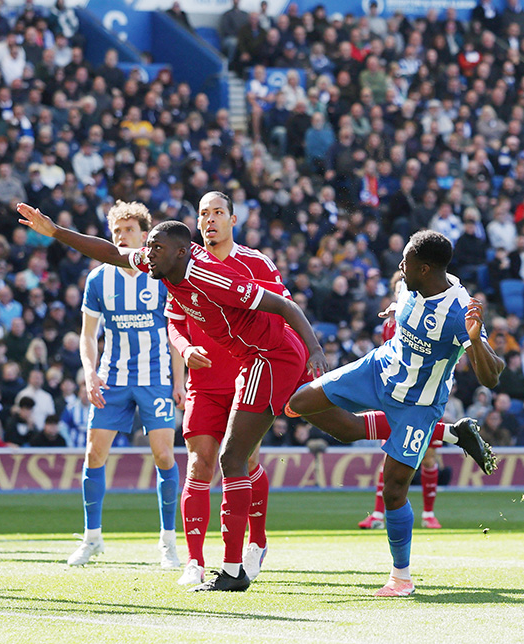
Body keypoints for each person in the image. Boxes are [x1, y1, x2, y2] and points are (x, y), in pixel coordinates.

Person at [16, 201, 327, 592]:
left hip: (272, 356)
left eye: (154, 248)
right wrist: (56, 231)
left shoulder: (214, 277)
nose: (146, 256)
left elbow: (282, 304)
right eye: (147, 249)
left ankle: (238, 565)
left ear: (180, 251)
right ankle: (211, 565)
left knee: (234, 457)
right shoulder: (164, 264)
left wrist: (314, 349)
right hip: (238, 365)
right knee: (242, 452)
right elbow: (112, 253)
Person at [287, 230, 504, 597]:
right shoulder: (414, 285)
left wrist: (475, 338)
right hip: (378, 369)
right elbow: (409, 304)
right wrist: (397, 310)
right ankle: (452, 434)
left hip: (417, 404)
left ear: (424, 268)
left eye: (405, 262)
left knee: (393, 489)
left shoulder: (457, 312)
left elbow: (491, 375)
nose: (399, 267)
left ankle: (401, 578)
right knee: (300, 403)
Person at [168, 192, 286, 586]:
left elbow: (282, 313)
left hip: (248, 375)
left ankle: (256, 543)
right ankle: (195, 562)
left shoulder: (256, 263)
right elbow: (174, 323)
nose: (211, 219)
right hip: (203, 382)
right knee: (200, 462)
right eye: (204, 214)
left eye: (218, 212)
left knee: (246, 460)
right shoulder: (182, 264)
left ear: (234, 219)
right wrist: (186, 349)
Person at [68, 200, 184, 569]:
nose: (121, 237)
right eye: (116, 231)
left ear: (145, 235)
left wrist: (180, 381)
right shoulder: (99, 278)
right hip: (113, 378)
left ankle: (168, 542)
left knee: (164, 456)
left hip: (155, 378)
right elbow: (88, 335)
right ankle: (92, 539)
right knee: (94, 455)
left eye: (128, 231)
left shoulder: (160, 275)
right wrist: (89, 372)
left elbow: (175, 330)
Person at [357, 281, 445, 531]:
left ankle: (428, 514)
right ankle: (377, 515)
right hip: (399, 397)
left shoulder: (433, 318)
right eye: (398, 292)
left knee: (428, 457)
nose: (400, 296)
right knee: (389, 453)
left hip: (429, 396)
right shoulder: (390, 325)